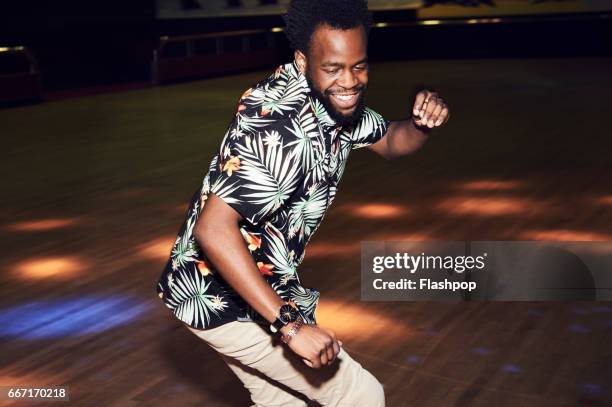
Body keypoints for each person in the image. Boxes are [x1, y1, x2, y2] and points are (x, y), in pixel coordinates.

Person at [156, 0, 450, 405]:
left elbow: (391, 142)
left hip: (256, 285)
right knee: (360, 394)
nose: (349, 81)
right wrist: (290, 327)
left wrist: (421, 125)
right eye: (333, 68)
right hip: (215, 292)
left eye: (358, 65)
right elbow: (213, 228)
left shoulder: (333, 100)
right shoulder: (278, 127)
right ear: (302, 59)